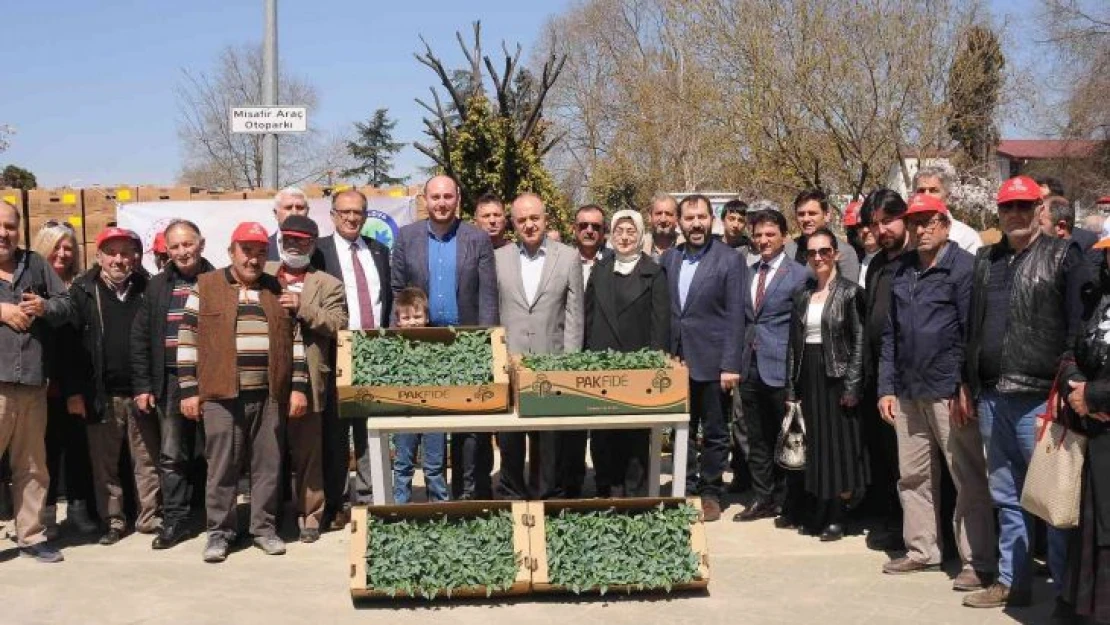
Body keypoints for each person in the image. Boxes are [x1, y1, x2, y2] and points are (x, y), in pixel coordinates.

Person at [963, 175, 1090, 609]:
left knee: (1052, 501)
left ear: (1040, 209)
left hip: (1041, 397)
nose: (1014, 215)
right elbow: (972, 328)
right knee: (1005, 496)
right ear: (998, 214)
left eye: (1023, 207)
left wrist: (1069, 382)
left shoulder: (1062, 256)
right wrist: (969, 382)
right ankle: (1011, 581)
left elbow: (1077, 326)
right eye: (1006, 208)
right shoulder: (986, 260)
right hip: (993, 397)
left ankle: (1064, 593)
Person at [876, 194, 996, 592]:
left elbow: (970, 334)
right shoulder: (904, 269)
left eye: (929, 222)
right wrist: (886, 387)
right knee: (912, 476)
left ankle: (977, 560)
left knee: (966, 477)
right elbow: (891, 334)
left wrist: (965, 385)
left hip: (948, 389)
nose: (921, 229)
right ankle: (922, 549)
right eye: (915, 222)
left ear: (945, 224)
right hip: (908, 391)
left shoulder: (964, 269)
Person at [177, 221, 310, 563]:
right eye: (246, 251)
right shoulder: (205, 287)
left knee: (268, 465)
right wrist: (189, 390)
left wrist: (297, 388)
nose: (253, 259)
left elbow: (294, 342)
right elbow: (187, 340)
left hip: (269, 395)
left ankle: (263, 529)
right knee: (222, 467)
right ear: (231, 251)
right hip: (220, 395)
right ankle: (219, 533)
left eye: (260, 252)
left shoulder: (275, 287)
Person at [392, 175, 499, 500]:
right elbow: (397, 290)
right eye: (435, 196)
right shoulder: (407, 238)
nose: (441, 202)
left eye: (447, 196)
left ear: (458, 199)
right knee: (420, 425)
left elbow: (487, 297)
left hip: (465, 345)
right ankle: (410, 498)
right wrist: (399, 345)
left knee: (468, 429)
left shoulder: (477, 238)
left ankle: (467, 495)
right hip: (420, 347)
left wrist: (486, 346)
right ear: (425, 199)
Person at [67, 227, 160, 546]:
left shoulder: (148, 288)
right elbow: (72, 346)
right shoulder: (82, 290)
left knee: (146, 460)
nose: (119, 259)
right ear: (99, 256)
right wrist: (75, 391)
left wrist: (148, 385)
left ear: (136, 256)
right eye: (112, 253)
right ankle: (114, 520)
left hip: (141, 391)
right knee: (104, 464)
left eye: (125, 252)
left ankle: (149, 518)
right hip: (101, 394)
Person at [661, 194, 746, 522]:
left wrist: (730, 364)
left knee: (714, 432)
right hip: (677, 360)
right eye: (689, 218)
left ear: (714, 220)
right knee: (681, 427)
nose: (696, 224)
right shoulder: (670, 258)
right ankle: (686, 486)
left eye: (702, 217)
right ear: (679, 223)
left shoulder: (729, 259)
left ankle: (711, 492)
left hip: (713, 362)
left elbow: (736, 315)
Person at [131, 220, 215, 550]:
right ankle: (176, 519)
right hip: (168, 380)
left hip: (210, 379)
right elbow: (140, 338)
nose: (182, 251)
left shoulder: (219, 281)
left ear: (201, 244)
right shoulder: (156, 286)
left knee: (216, 452)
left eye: (188, 244)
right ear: (167, 250)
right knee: (172, 454)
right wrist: (142, 385)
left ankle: (217, 519)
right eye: (175, 246)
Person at [264, 215, 347, 542]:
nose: (294, 245)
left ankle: (310, 516)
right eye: (289, 239)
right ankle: (266, 519)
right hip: (267, 378)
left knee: (308, 453)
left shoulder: (328, 283)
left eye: (301, 240)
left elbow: (340, 324)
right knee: (267, 453)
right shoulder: (264, 273)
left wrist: (303, 307)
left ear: (313, 244)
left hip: (310, 378)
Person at [494, 192, 583, 500]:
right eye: (522, 220)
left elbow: (574, 315)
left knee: (548, 441)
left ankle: (547, 499)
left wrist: (569, 364)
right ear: (513, 224)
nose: (529, 225)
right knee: (510, 440)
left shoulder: (568, 257)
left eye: (535, 218)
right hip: (511, 362)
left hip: (552, 363)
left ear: (546, 219)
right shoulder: (499, 257)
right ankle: (512, 498)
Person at [314, 189, 392, 527]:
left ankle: (368, 499)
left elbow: (386, 300)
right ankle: (336, 502)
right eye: (344, 212)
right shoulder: (320, 252)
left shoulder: (379, 251)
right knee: (334, 433)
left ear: (365, 215)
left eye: (357, 212)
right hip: (334, 353)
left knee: (369, 430)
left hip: (374, 354)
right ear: (332, 215)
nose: (351, 218)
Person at [784, 227, 868, 541]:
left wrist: (852, 385)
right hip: (810, 375)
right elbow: (793, 344)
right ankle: (820, 508)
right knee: (816, 446)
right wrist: (791, 388)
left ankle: (838, 515)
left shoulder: (850, 292)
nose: (818, 258)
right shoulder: (803, 294)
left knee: (839, 448)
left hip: (838, 375)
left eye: (824, 251)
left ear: (836, 254)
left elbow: (859, 341)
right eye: (812, 253)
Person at [0, 200, 72, 563]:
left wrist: (44, 307)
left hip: (32, 383)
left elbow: (66, 304)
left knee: (31, 465)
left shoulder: (36, 264)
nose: (3, 233)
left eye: (10, 226)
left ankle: (30, 536)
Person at [583, 209, 669, 497]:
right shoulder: (600, 269)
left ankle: (634, 493)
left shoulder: (654, 273)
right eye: (619, 231)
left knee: (634, 436)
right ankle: (606, 488)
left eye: (631, 231)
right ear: (610, 235)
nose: (624, 237)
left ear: (641, 234)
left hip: (637, 367)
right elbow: (589, 315)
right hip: (601, 366)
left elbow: (660, 324)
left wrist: (656, 363)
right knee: (603, 433)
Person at [734, 209, 808, 524]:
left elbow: (801, 328)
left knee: (788, 437)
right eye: (759, 235)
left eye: (770, 234)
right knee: (757, 436)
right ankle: (762, 497)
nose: (763, 240)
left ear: (783, 236)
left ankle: (790, 501)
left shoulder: (800, 274)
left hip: (781, 367)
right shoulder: (748, 273)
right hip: (749, 366)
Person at [1058, 221, 1110, 624]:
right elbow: (1075, 349)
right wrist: (1075, 387)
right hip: (1095, 436)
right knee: (1093, 528)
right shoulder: (1101, 300)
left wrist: (1095, 396)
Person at [30, 223, 96, 537]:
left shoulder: (82, 286)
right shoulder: (32, 284)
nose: (62, 254)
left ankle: (78, 509)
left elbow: (77, 341)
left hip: (75, 382)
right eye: (56, 246)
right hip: (40, 381)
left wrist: (75, 389)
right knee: (44, 452)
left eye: (68, 248)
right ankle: (45, 513)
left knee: (77, 449)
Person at [858, 189, 912, 551]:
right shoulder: (877, 263)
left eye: (888, 221)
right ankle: (892, 520)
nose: (882, 230)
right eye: (875, 224)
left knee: (911, 462)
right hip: (879, 374)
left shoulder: (917, 260)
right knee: (887, 457)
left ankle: (915, 528)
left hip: (910, 375)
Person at [388, 287, 449, 504]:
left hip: (434, 413)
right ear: (397, 320)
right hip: (405, 414)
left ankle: (440, 508)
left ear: (427, 317)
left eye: (417, 316)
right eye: (406, 317)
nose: (412, 322)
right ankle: (400, 509)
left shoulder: (438, 344)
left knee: (434, 466)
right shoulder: (392, 346)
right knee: (403, 465)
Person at [791, 189, 860, 283]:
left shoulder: (844, 252)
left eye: (812, 213)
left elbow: (850, 293)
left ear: (827, 215)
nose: (806, 219)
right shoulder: (789, 249)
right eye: (801, 214)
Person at [911, 165, 983, 254]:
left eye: (933, 190)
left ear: (947, 197)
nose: (927, 196)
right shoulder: (910, 234)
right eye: (921, 191)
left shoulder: (966, 237)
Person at [266, 186, 317, 264]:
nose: (294, 213)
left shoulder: (320, 250)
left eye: (300, 208)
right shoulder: (263, 248)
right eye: (288, 208)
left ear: (307, 211)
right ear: (276, 213)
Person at [573, 204, 612, 288]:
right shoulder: (562, 261)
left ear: (603, 231)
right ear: (574, 229)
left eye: (596, 226)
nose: (589, 231)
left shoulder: (615, 261)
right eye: (583, 225)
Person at [643, 193, 683, 260]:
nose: (663, 219)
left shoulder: (688, 247)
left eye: (668, 214)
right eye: (658, 213)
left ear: (677, 218)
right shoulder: (638, 246)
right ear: (650, 217)